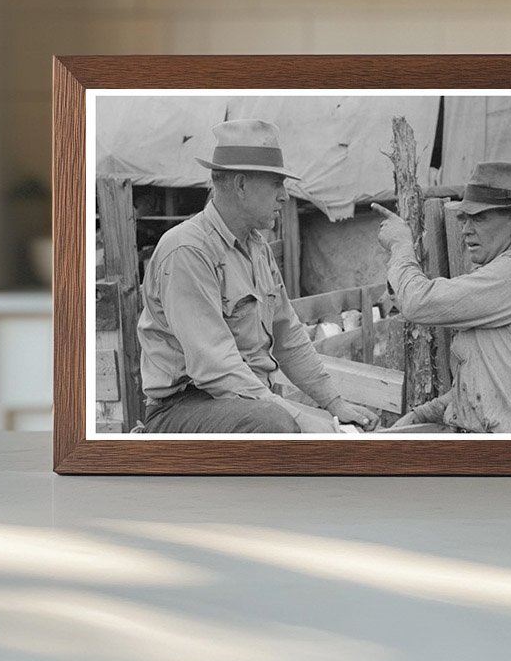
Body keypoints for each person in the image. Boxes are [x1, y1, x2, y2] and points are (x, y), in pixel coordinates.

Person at [138, 118, 379, 435]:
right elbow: (215, 367)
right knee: (276, 423)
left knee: (306, 426)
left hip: (245, 402)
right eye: (275, 184)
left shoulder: (257, 248)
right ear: (240, 185)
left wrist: (335, 404)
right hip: (184, 407)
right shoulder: (187, 250)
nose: (285, 197)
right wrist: (297, 417)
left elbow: (289, 337)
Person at [371, 161, 511, 433]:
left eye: (479, 218)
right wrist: (422, 415)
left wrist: (401, 246)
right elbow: (485, 386)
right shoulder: (506, 274)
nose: (466, 229)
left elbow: (418, 302)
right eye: (464, 218)